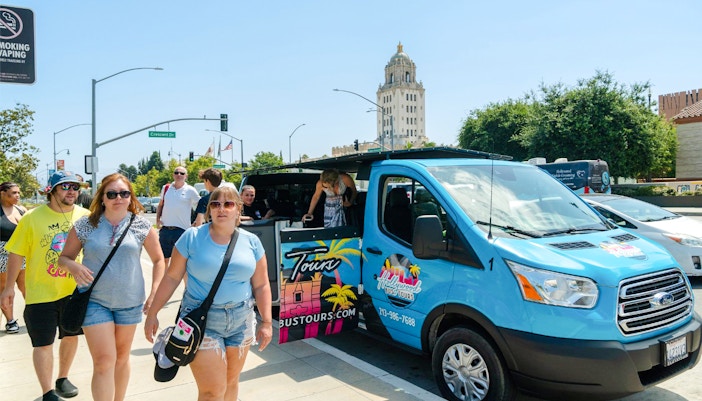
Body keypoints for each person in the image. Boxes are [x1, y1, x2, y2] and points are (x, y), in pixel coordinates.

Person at [145, 186, 273, 401]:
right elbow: (172, 277)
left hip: (240, 321)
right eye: (215, 204)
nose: (221, 209)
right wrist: (153, 312)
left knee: (231, 383)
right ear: (209, 209)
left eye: (228, 204)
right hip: (200, 321)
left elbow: (261, 285)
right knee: (212, 391)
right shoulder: (192, 237)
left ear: (238, 209)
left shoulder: (252, 242)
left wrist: (267, 322)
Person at [57, 173, 165, 401]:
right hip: (95, 301)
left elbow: (158, 261)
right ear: (102, 198)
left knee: (122, 358)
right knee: (105, 360)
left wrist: (155, 292)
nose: (119, 198)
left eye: (124, 193)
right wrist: (74, 268)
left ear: (130, 197)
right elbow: (64, 258)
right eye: (112, 194)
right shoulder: (86, 225)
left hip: (130, 301)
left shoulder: (141, 225)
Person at [0, 171, 90, 401]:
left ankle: (63, 378)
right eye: (65, 186)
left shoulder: (86, 216)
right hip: (40, 293)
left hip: (74, 292)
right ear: (51, 190)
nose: (72, 191)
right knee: (43, 344)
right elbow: (16, 253)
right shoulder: (31, 217)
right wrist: (9, 287)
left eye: (75, 187)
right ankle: (47, 391)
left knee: (70, 336)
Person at [155, 166, 200, 275]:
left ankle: (187, 289)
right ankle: (162, 285)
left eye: (182, 173)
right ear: (173, 175)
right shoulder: (166, 188)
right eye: (176, 172)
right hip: (165, 230)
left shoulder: (190, 190)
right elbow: (160, 205)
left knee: (183, 262)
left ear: (186, 176)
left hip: (182, 231)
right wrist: (157, 219)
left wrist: (196, 222)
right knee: (163, 260)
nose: (179, 175)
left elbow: (200, 205)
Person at [0, 181, 27, 333]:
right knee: (5, 289)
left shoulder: (21, 209)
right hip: (3, 256)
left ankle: (34, 316)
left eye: (18, 193)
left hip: (22, 254)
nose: (17, 196)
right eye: (14, 193)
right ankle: (10, 321)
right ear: (3, 193)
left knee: (27, 287)